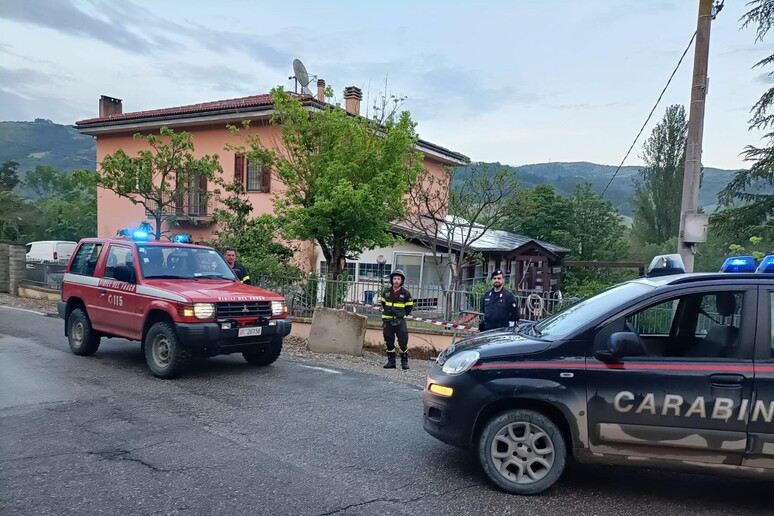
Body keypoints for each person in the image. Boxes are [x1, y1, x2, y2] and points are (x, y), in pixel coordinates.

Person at [380, 269, 414, 370]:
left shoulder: (406, 294)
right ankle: (391, 362)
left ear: (402, 280)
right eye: (394, 278)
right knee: (389, 341)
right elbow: (383, 305)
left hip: (400, 321)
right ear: (391, 280)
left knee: (403, 341)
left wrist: (401, 314)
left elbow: (409, 308)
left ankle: (404, 362)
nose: (396, 280)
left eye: (398, 279)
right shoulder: (386, 293)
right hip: (388, 321)